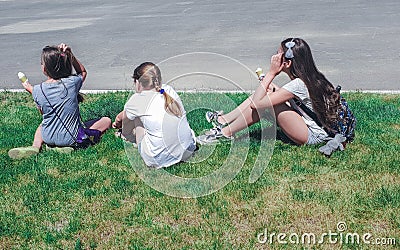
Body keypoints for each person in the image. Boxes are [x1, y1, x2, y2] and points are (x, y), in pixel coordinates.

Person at [198, 38, 345, 146]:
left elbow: (257, 104)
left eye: (277, 55)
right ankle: (223, 120)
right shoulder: (310, 76)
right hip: (317, 127)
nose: (274, 57)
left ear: (287, 63)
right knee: (267, 95)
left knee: (265, 104)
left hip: (314, 135)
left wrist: (271, 73)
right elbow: (298, 102)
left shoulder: (298, 84)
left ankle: (225, 134)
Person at [8, 43, 111, 159]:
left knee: (42, 125)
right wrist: (70, 54)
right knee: (106, 120)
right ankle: (68, 147)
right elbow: (82, 72)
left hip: (48, 137)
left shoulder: (37, 90)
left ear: (44, 69)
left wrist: (31, 90)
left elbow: (44, 114)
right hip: (71, 137)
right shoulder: (71, 83)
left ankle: (36, 146)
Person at [113, 62, 197, 168]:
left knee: (136, 119)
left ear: (138, 82)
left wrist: (117, 123)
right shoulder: (168, 90)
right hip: (188, 149)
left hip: (159, 159)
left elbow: (122, 118)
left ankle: (127, 137)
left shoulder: (137, 100)